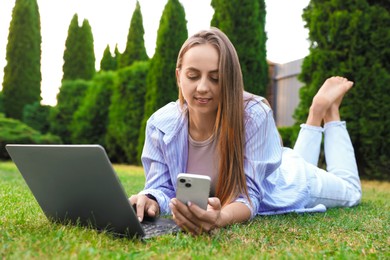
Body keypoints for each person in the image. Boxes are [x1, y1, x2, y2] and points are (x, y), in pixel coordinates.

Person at [130, 27, 361, 235]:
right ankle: (314, 116)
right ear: (178, 76)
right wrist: (150, 199)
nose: (202, 87)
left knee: (351, 192)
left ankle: (328, 113)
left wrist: (221, 217)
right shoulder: (160, 124)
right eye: (192, 76)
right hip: (277, 162)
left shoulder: (254, 114)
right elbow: (162, 187)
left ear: (229, 79)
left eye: (215, 78)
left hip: (292, 181)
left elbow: (249, 196)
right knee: (297, 158)